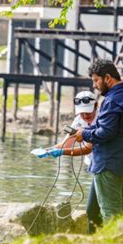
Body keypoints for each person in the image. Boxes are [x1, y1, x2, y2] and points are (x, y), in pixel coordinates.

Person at [74, 59, 123, 223]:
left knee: (110, 214)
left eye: (96, 80)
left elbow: (106, 132)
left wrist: (84, 134)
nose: (95, 86)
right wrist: (87, 131)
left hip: (110, 165)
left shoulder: (112, 99)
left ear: (107, 77)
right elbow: (114, 128)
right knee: (122, 210)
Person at [35, 91, 103, 233]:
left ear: (96, 106)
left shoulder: (102, 119)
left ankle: (97, 238)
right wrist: (48, 150)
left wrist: (61, 152)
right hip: (94, 166)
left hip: (103, 165)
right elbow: (66, 143)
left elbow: (88, 148)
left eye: (88, 113)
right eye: (82, 113)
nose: (85, 117)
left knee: (95, 208)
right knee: (95, 208)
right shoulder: (79, 120)